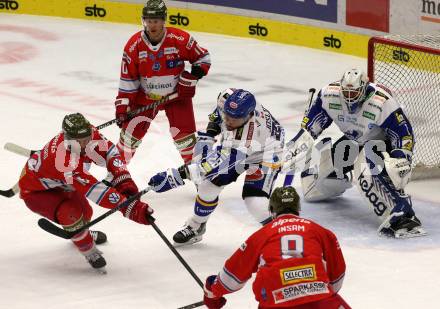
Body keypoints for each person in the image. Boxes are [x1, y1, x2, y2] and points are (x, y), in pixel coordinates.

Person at [283, 68, 426, 238]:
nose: (350, 97)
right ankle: (341, 179)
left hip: (380, 143)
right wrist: (300, 141)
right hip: (354, 141)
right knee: (314, 189)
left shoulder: (382, 101)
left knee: (365, 170)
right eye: (347, 92)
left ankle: (403, 216)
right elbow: (313, 124)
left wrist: (400, 158)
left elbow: (404, 133)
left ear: (364, 89)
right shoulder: (329, 95)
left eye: (355, 92)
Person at [148, 88, 285, 246]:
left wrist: (175, 176)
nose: (229, 121)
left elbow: (211, 166)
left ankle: (282, 233)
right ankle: (196, 226)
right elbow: (218, 114)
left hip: (267, 152)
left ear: (248, 115)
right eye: (227, 115)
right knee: (208, 186)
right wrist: (211, 132)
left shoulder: (249, 137)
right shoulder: (228, 98)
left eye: (235, 119)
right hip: (237, 149)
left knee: (254, 200)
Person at [18, 113, 153, 273]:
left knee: (86, 213)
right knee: (71, 214)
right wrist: (131, 209)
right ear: (67, 138)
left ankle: (81, 231)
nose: (84, 144)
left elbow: (111, 153)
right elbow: (97, 192)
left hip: (63, 184)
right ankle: (89, 250)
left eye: (87, 138)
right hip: (36, 192)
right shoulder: (64, 162)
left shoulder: (90, 133)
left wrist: (123, 180)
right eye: (79, 141)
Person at [203, 186, 350, 309]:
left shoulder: (261, 235)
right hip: (319, 300)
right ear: (298, 208)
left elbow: (233, 277)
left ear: (271, 210)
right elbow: (337, 274)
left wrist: (212, 291)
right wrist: (316, 290)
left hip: (275, 303)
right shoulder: (320, 231)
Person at [115, 0, 211, 165]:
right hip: (145, 97)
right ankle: (117, 174)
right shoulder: (133, 46)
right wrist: (123, 105)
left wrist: (192, 77)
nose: (152, 25)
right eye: (149, 21)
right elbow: (128, 79)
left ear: (164, 20)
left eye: (156, 21)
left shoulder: (179, 39)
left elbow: (203, 58)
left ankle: (200, 177)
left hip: (176, 97)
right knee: (129, 137)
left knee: (186, 140)